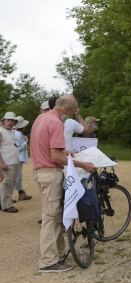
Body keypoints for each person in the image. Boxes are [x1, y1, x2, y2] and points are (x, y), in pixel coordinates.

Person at [30, 95, 96, 273]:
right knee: (51, 218)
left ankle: (57, 254)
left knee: (54, 215)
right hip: (51, 173)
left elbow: (44, 146)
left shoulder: (41, 118)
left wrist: (63, 150)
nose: (72, 115)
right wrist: (83, 165)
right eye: (73, 112)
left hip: (40, 172)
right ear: (67, 110)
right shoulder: (57, 122)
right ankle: (48, 261)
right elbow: (55, 157)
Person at [0, 112, 21, 213]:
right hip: (6, 162)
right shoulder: (1, 131)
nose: (10, 122)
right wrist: (1, 163)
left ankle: (5, 202)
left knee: (11, 183)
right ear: (3, 121)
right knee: (7, 183)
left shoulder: (13, 132)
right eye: (8, 120)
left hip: (14, 161)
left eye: (12, 120)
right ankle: (6, 205)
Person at [13, 116, 33, 201]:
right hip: (18, 157)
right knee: (16, 177)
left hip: (17, 158)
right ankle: (6, 196)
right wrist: (26, 142)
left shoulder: (15, 133)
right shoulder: (18, 135)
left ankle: (21, 192)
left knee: (19, 176)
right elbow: (18, 148)